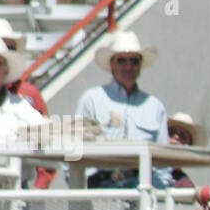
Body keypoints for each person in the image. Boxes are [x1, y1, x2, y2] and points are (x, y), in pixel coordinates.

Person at [74, 29, 173, 186]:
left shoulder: (155, 106)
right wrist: (82, 187)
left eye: (134, 61)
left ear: (140, 65)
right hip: (102, 186)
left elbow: (163, 164)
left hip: (143, 187)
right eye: (122, 60)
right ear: (112, 64)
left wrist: (159, 190)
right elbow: (74, 147)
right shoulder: (91, 100)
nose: (128, 67)